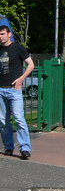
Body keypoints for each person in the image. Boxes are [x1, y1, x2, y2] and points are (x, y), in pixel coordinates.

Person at [0, 25, 34, 159]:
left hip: (14, 90)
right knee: (3, 121)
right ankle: (8, 147)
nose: (0, 36)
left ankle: (25, 148)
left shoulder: (18, 48)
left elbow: (31, 64)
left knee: (19, 119)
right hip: (1, 90)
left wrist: (21, 79)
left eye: (2, 34)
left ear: (9, 34)